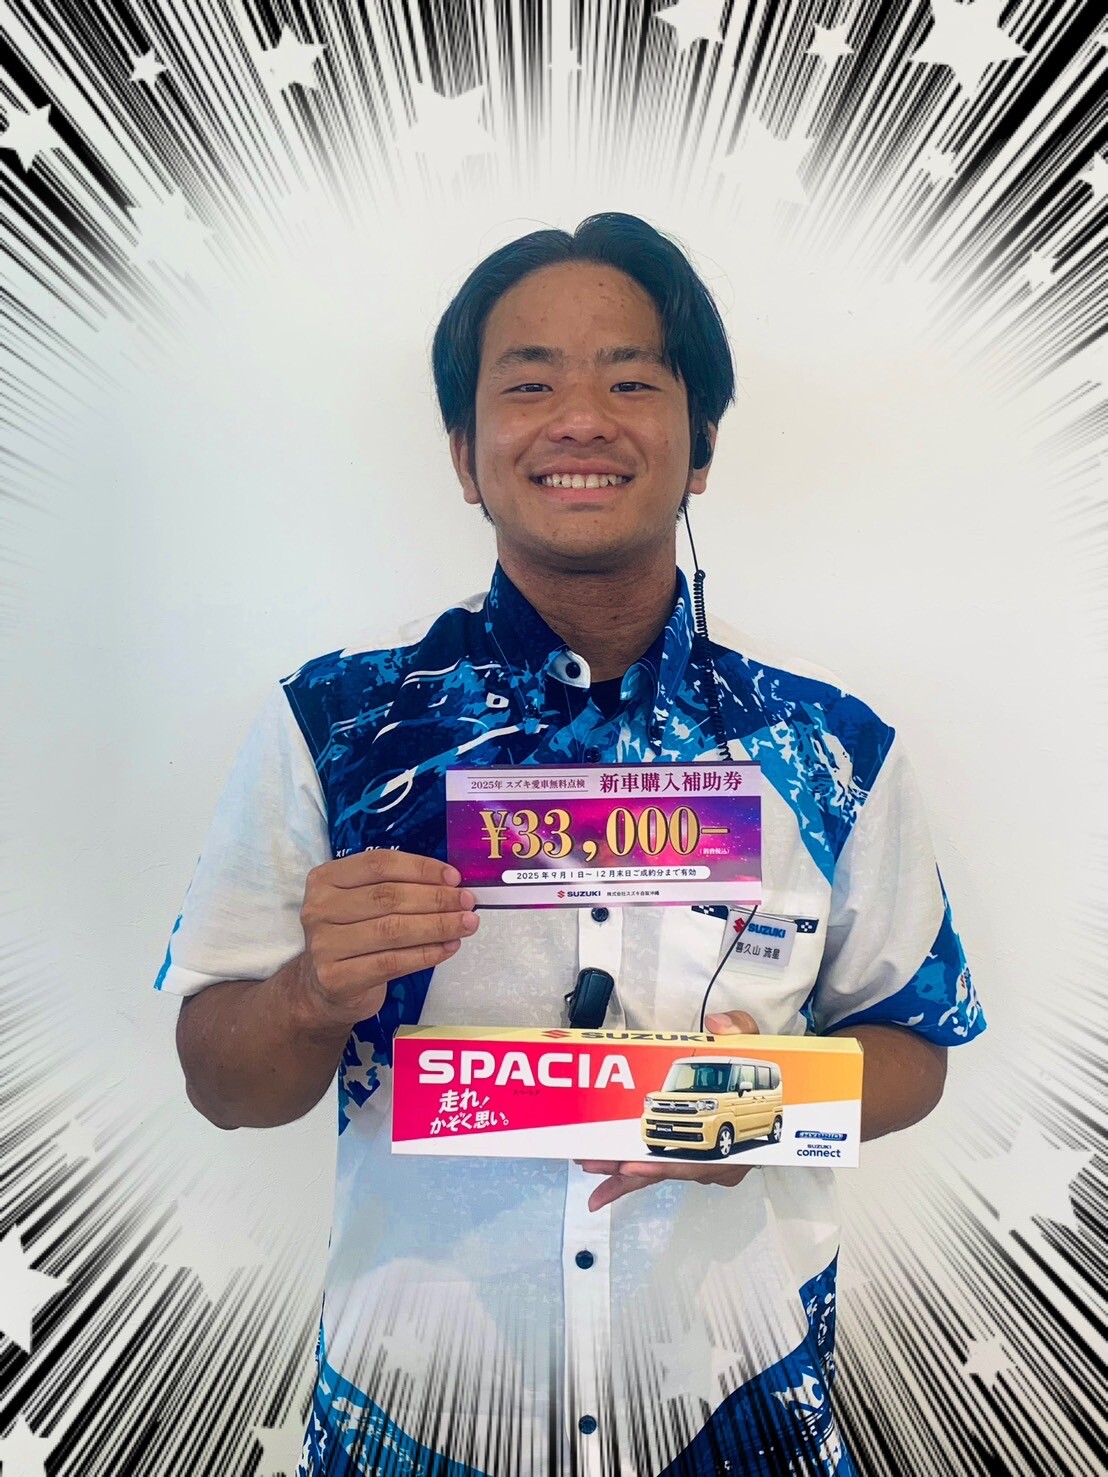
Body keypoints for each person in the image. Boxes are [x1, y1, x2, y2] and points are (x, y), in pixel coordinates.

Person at [155, 212, 986, 1477]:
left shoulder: (827, 749)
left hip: (741, 1415)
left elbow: (915, 1050)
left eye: (632, 381)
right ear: (464, 453)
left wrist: (752, 1106)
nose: (581, 419)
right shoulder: (335, 729)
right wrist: (313, 992)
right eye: (529, 383)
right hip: (416, 1423)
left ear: (701, 444)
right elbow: (224, 1087)